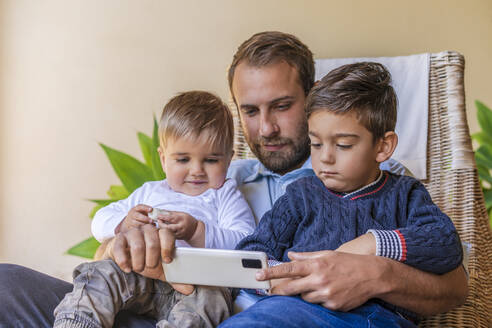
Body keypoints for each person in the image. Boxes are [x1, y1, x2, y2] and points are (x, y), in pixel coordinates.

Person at [0, 31, 467, 327]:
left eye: (282, 106)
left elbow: (456, 286)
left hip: (245, 318)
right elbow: (110, 254)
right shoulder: (217, 177)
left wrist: (373, 267)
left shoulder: (386, 181)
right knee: (7, 285)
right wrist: (129, 242)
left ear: (312, 99)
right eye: (250, 110)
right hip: (155, 307)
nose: (265, 128)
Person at [219, 62, 463, 327]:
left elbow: (445, 242)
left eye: (343, 145)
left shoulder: (405, 193)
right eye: (316, 143)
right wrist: (280, 276)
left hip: (375, 317)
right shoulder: (299, 195)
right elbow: (252, 252)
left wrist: (374, 243)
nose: (325, 158)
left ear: (383, 146)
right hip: (292, 308)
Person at [53, 91, 255, 328]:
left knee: (213, 302)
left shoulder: (225, 195)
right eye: (183, 160)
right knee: (100, 274)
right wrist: (124, 224)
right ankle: (77, 322)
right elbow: (100, 220)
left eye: (211, 160)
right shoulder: (150, 192)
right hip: (139, 273)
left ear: (229, 159)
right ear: (163, 159)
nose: (197, 170)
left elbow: (245, 243)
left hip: (197, 286)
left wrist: (195, 231)